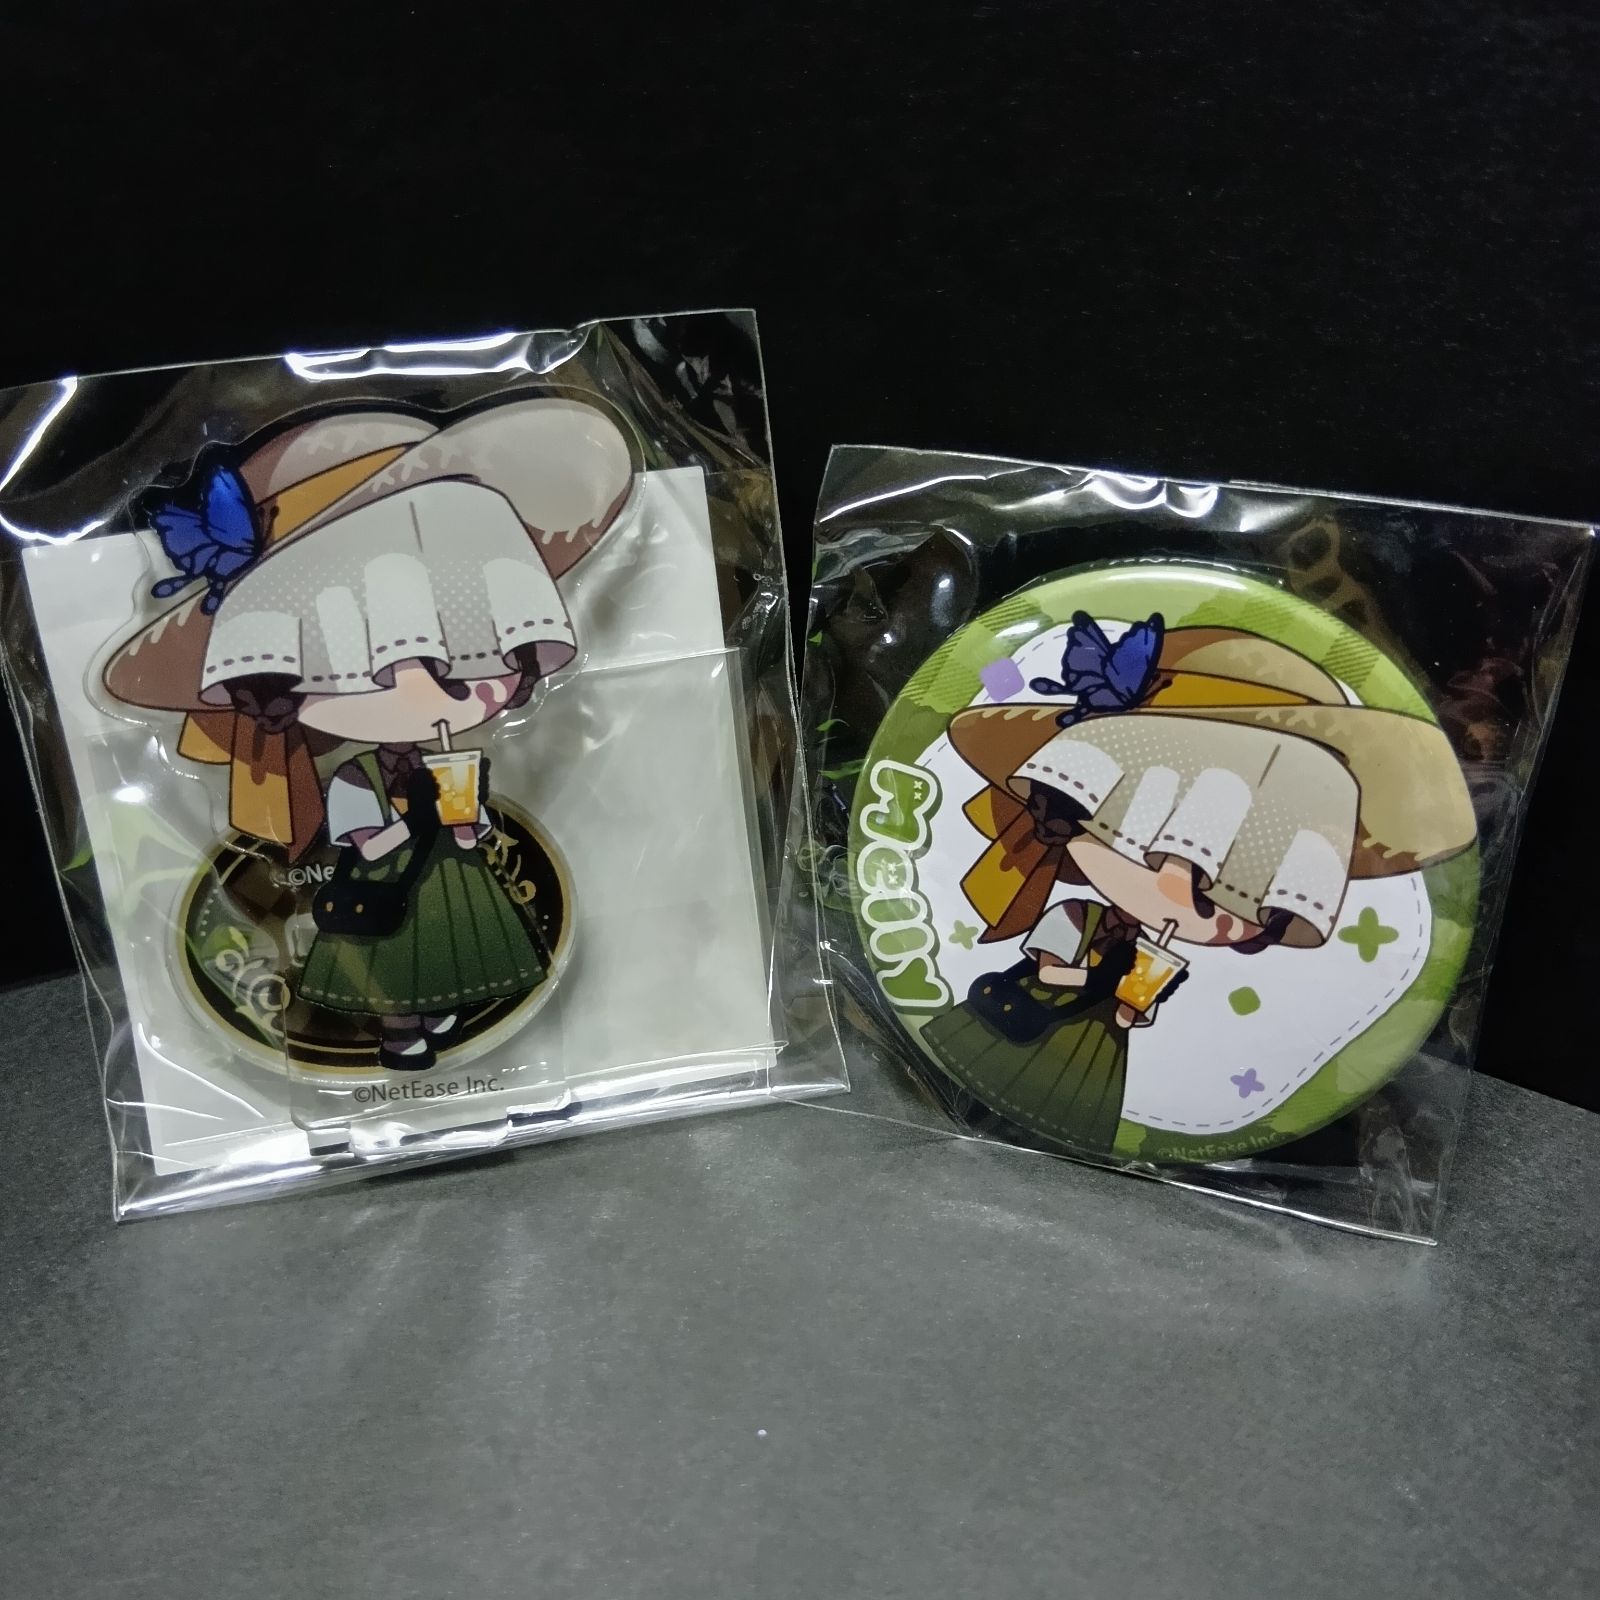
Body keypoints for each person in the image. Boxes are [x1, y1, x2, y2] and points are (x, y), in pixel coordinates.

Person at [102, 397, 635, 1068]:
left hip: (446, 882)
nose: (435, 687)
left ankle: (440, 1008)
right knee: (394, 958)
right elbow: (362, 838)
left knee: (448, 947)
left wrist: (466, 825)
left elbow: (467, 831)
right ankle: (402, 1028)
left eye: (469, 646)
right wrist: (419, 822)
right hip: (384, 888)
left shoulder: (441, 758)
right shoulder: (356, 776)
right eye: (366, 661)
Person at [921, 613, 1477, 1154]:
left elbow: (1126, 1017)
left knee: (1080, 1103)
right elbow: (1047, 971)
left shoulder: (1147, 951)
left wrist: (1131, 1007)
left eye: (1232, 892)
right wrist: (1099, 977)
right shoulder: (1073, 917)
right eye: (1142, 837)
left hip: (1095, 1064)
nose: (1176, 891)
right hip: (1012, 1034)